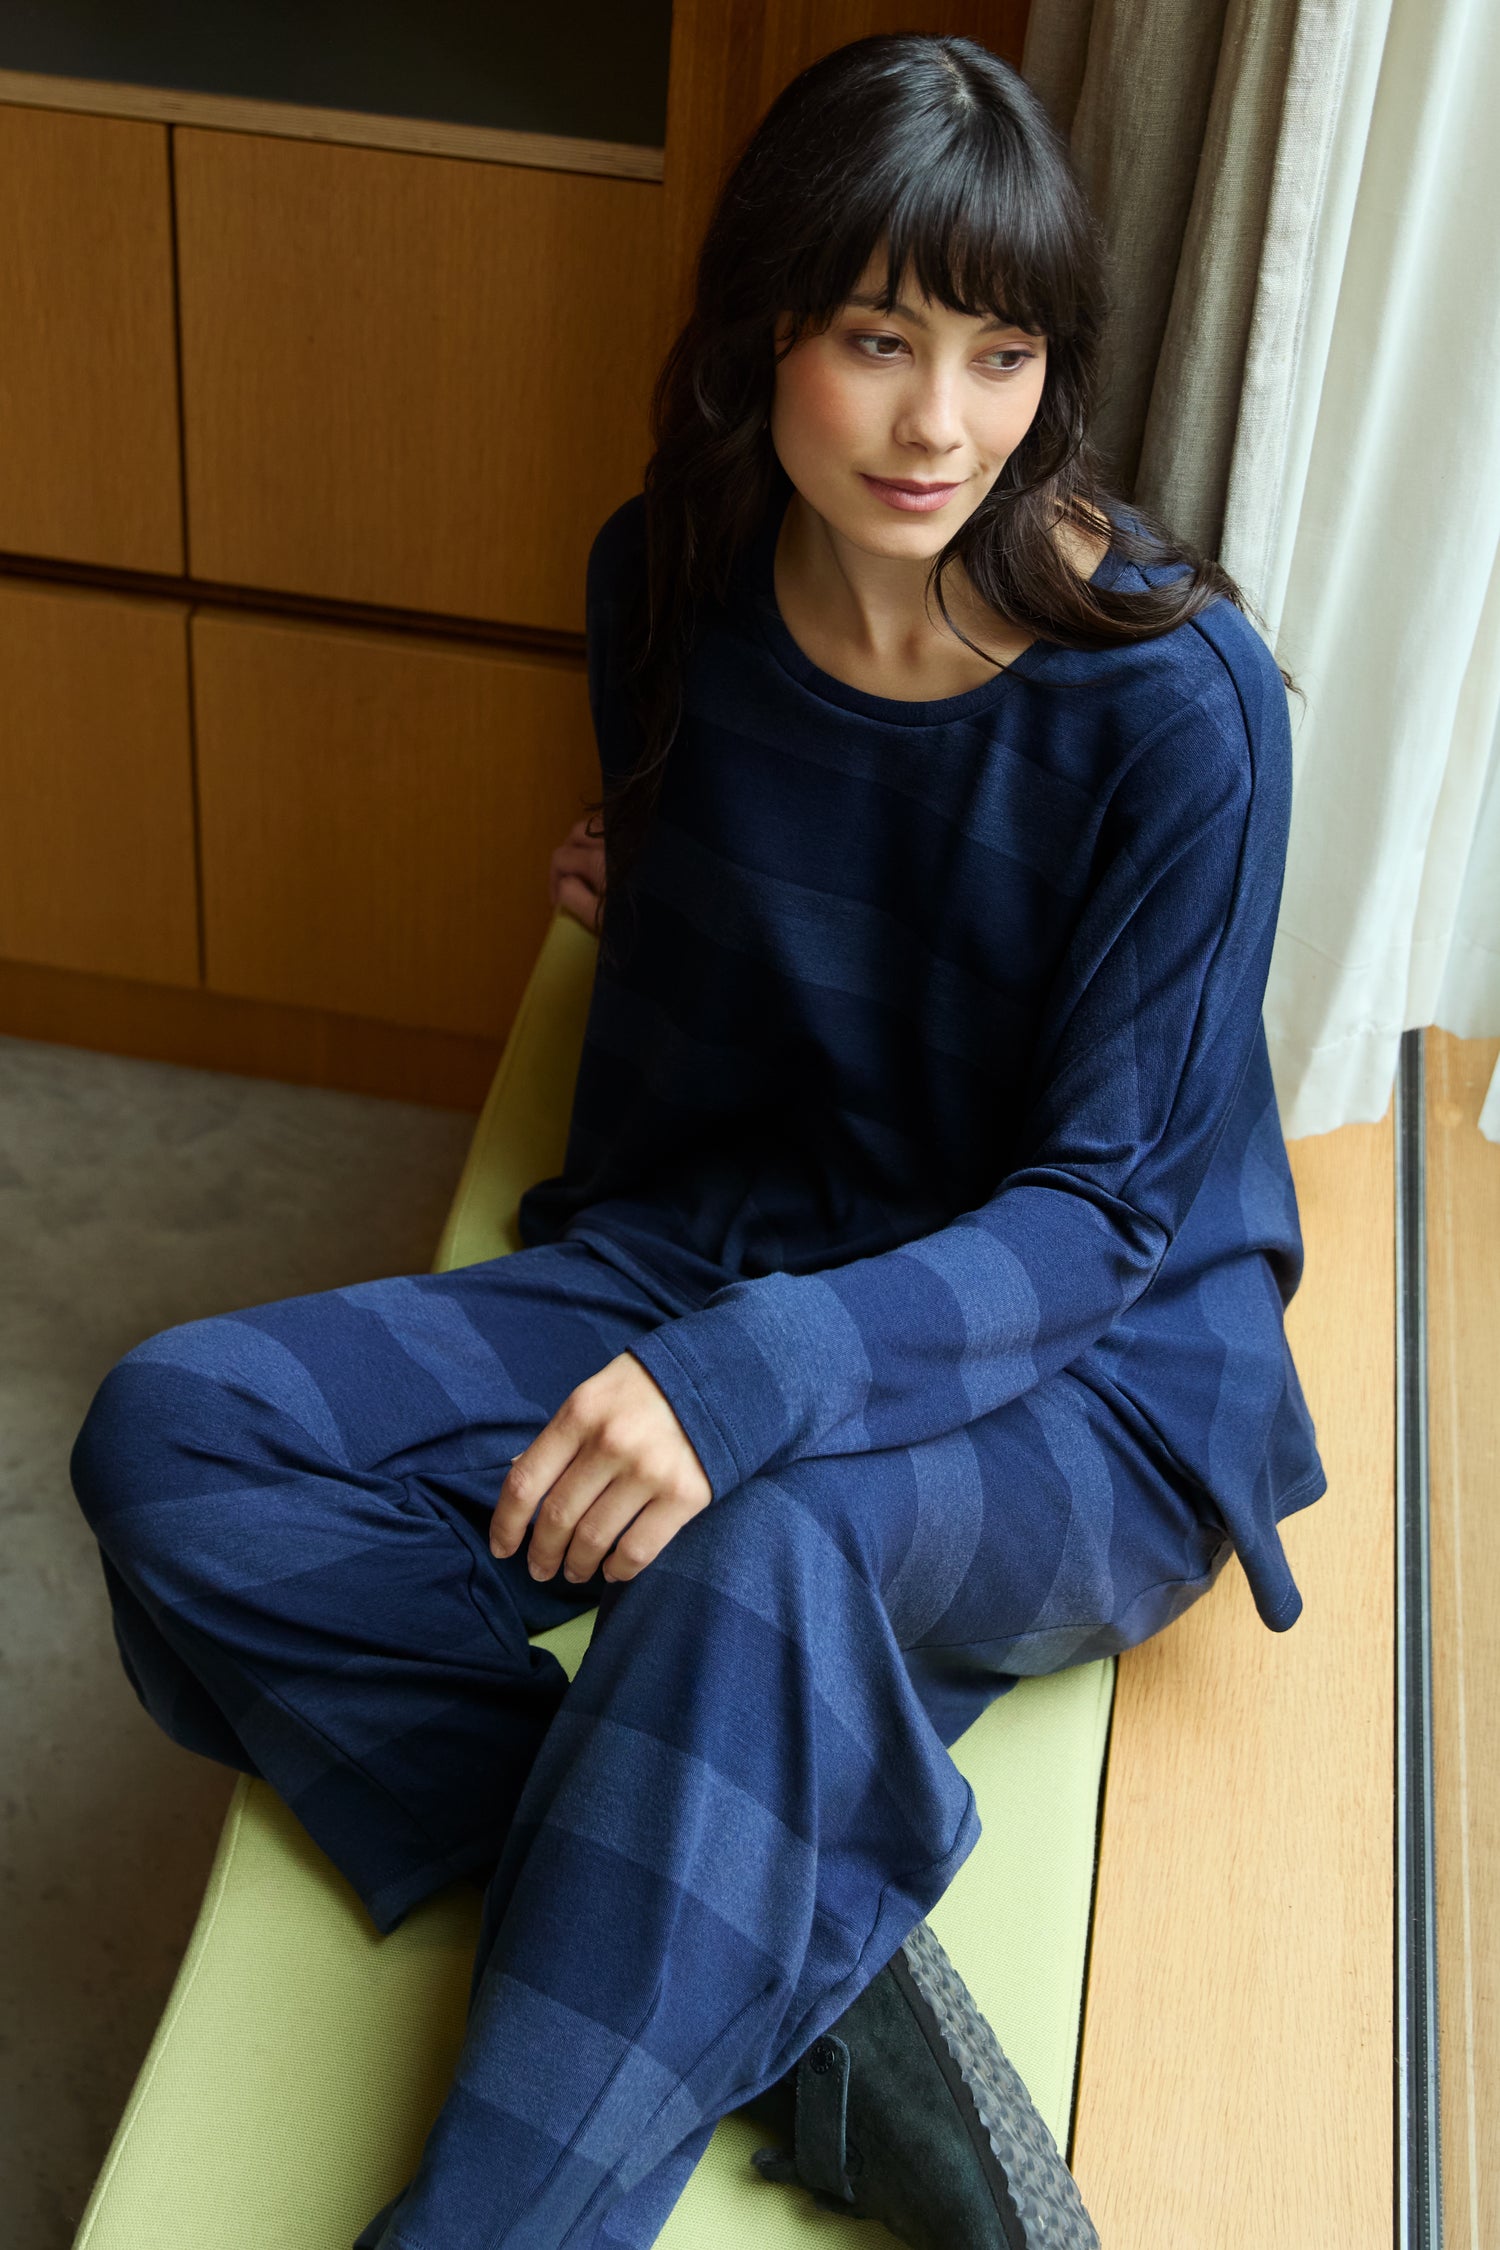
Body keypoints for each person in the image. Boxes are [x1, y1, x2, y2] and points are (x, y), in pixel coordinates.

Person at [68, 32, 1326, 2250]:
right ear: (771, 337)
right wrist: (658, 890)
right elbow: (727, 983)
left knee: (757, 1558)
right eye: (878, 342)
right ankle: (816, 1981)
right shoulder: (669, 576)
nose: (944, 424)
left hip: (1080, 1365)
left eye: (1004, 351)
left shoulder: (1173, 699)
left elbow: (1107, 1211)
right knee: (182, 1433)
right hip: (712, 1241)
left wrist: (742, 1388)